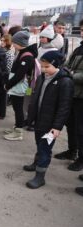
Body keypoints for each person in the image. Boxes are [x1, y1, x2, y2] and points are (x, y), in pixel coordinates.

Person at [23, 51, 73, 189]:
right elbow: (35, 97)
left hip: (51, 124)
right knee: (39, 144)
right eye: (42, 66)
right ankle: (36, 163)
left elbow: (64, 107)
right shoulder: (41, 78)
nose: (43, 70)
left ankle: (40, 176)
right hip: (39, 120)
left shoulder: (65, 82)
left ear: (56, 65)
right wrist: (30, 117)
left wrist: (57, 127)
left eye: (47, 67)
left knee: (45, 148)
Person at [54, 19, 83, 172]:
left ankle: (80, 159)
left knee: (80, 128)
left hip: (81, 96)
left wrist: (72, 75)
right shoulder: (79, 48)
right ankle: (72, 151)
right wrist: (65, 71)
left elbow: (76, 73)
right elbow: (67, 64)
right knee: (70, 124)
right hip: (72, 93)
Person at [4, 31, 37, 141]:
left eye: (14, 42)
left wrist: (8, 85)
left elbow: (19, 75)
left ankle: (18, 131)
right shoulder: (22, 53)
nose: (12, 44)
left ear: (20, 43)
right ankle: (17, 127)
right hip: (22, 86)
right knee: (18, 107)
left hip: (21, 87)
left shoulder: (26, 57)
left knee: (19, 108)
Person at [0, 34, 14, 119]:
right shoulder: (1, 51)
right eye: (1, 40)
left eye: (4, 40)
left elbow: (9, 67)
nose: (2, 42)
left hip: (5, 76)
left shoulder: (9, 53)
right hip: (0, 75)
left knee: (4, 95)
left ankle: (2, 113)